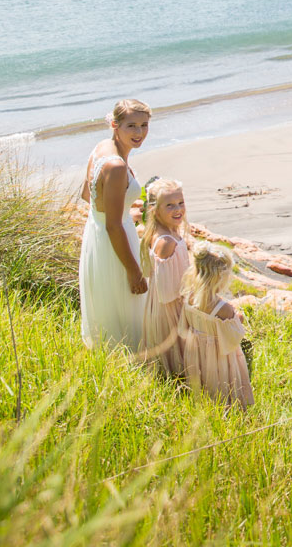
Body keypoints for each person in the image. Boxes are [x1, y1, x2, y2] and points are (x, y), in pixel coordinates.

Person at [78, 98, 151, 350]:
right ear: (115, 124)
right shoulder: (117, 166)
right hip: (114, 243)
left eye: (144, 125)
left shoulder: (101, 147)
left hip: (96, 235)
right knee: (127, 312)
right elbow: (113, 225)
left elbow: (86, 195)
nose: (139, 133)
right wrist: (134, 271)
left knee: (108, 308)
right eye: (131, 126)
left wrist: (113, 213)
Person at [180, 243, 254, 407]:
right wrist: (238, 317)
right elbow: (235, 334)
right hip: (218, 354)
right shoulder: (223, 309)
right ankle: (227, 406)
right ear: (219, 278)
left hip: (196, 349)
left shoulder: (189, 297)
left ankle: (202, 403)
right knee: (220, 381)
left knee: (203, 379)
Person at [138, 176, 189, 376]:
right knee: (174, 358)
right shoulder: (166, 242)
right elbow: (167, 291)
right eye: (169, 205)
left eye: (180, 203)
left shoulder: (167, 231)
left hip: (169, 304)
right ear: (154, 209)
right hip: (170, 309)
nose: (177, 209)